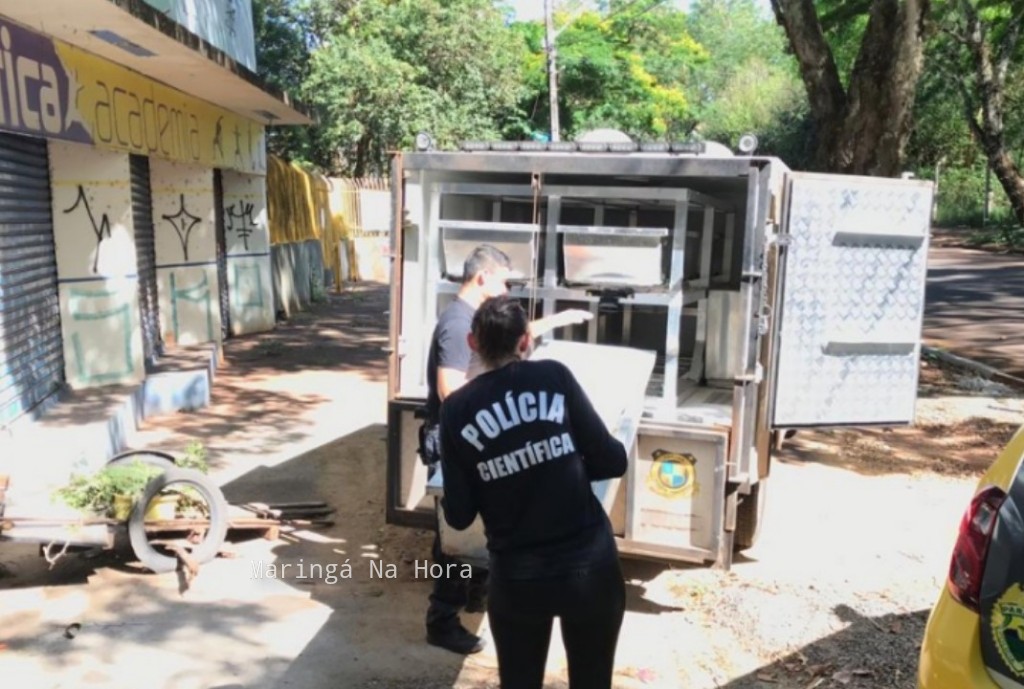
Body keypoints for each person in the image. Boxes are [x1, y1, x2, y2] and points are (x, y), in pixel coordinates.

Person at [438, 295, 628, 689]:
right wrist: (562, 460)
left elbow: (458, 515)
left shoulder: (456, 410)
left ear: (473, 344)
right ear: (525, 341)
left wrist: (492, 472)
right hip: (590, 568)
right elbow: (613, 461)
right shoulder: (554, 377)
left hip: (518, 578)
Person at [420, 244, 591, 655]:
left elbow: (509, 335)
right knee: (453, 532)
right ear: (483, 278)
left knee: (476, 524)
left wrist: (557, 320)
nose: (508, 290)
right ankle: (442, 619)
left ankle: (473, 591)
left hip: (471, 433)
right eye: (504, 282)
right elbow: (449, 390)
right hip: (453, 439)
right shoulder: (456, 324)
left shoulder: (474, 319)